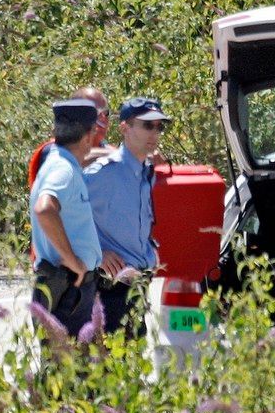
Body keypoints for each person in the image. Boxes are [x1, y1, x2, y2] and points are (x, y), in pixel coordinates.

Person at [83, 97, 169, 337]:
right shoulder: (104, 173)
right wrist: (96, 252)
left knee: (132, 367)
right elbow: (59, 213)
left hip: (139, 286)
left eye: (159, 126)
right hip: (111, 291)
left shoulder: (147, 171)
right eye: (147, 125)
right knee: (110, 368)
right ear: (124, 128)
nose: (155, 132)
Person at [30, 99, 102, 336]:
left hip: (66, 286)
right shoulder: (63, 170)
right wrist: (73, 262)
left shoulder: (60, 163)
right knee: (70, 369)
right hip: (68, 288)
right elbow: (45, 209)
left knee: (64, 368)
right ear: (89, 136)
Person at [28, 87, 113, 189]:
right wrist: (114, 155)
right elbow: (69, 160)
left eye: (105, 113)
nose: (103, 118)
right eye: (95, 112)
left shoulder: (112, 153)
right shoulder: (53, 150)